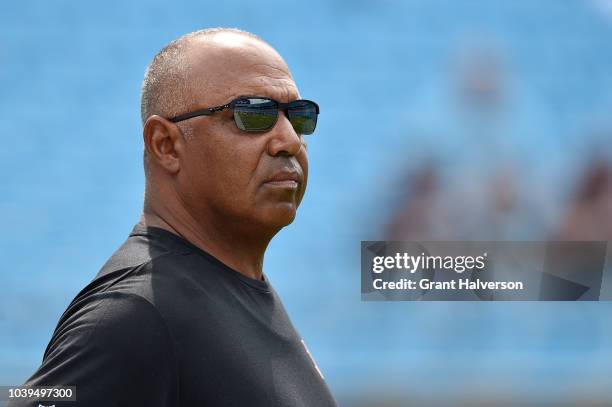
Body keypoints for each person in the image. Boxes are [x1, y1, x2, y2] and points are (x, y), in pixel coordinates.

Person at [10, 28, 337, 406]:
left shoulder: (230, 288)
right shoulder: (134, 313)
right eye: (252, 114)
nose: (290, 141)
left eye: (298, 117)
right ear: (165, 145)